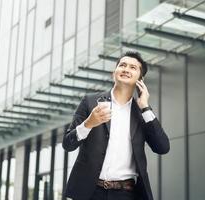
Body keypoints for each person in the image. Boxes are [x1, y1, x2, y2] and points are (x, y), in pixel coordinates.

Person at [62, 51, 170, 200]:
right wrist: (88, 123)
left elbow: (162, 147)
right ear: (114, 73)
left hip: (127, 194)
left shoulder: (141, 113)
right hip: (90, 192)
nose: (126, 69)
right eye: (122, 65)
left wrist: (145, 107)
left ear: (140, 79)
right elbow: (68, 144)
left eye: (133, 67)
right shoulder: (90, 102)